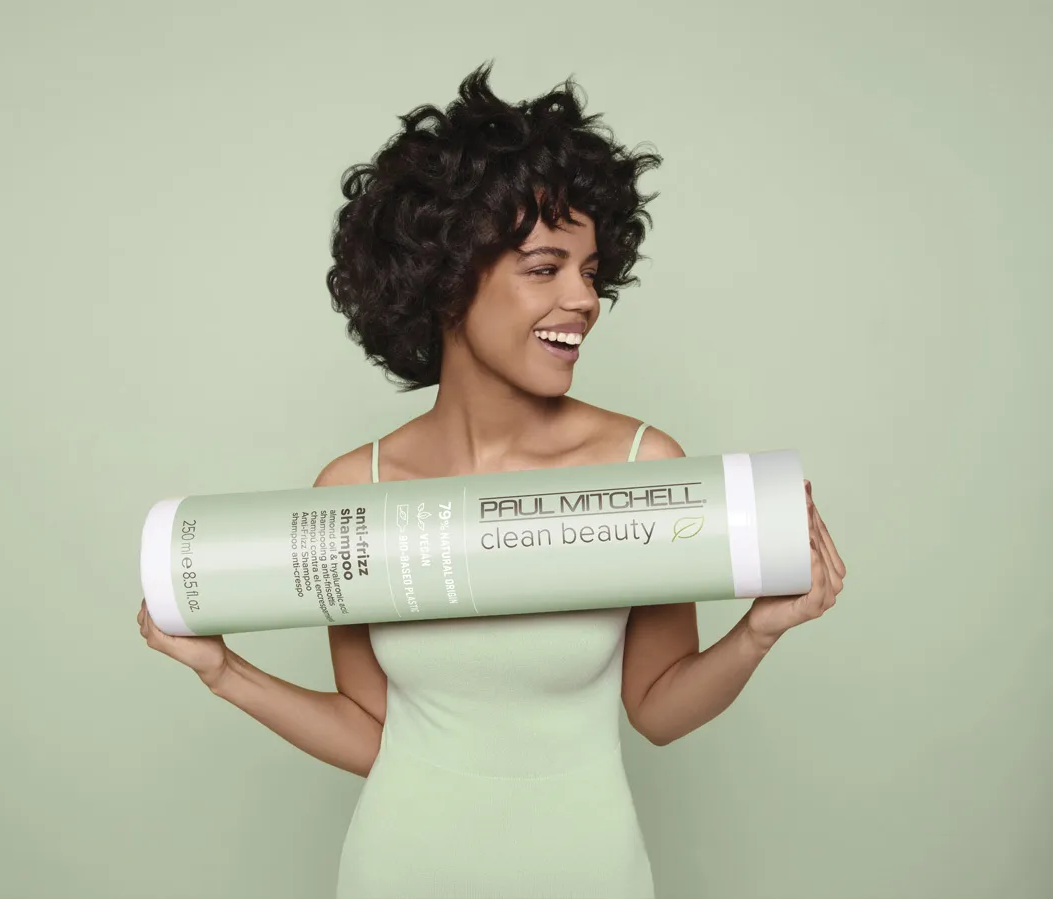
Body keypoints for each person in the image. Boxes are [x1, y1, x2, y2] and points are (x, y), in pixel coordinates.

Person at [137, 62, 846, 899]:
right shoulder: (356, 490)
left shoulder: (642, 468)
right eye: (545, 268)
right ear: (448, 281)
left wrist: (761, 630)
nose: (583, 299)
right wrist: (223, 671)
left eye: (590, 271)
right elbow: (373, 731)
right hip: (399, 873)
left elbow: (657, 707)